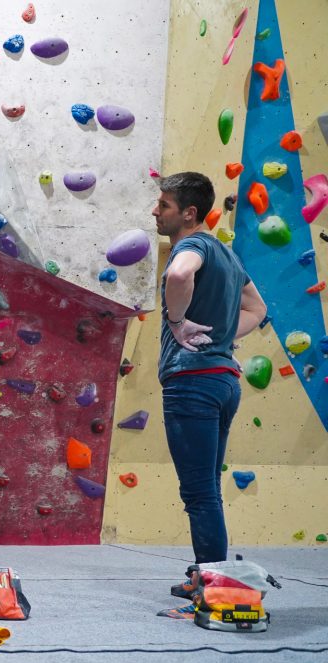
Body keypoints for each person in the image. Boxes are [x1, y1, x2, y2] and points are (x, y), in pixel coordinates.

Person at [152, 172, 267, 619]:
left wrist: (177, 321)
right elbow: (257, 309)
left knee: (199, 494)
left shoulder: (192, 246)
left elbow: (180, 274)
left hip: (193, 384)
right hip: (223, 382)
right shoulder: (228, 255)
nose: (156, 212)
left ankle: (215, 589)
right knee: (207, 492)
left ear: (189, 214)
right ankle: (207, 575)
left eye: (163, 205)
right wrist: (222, 336)